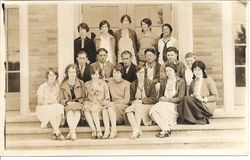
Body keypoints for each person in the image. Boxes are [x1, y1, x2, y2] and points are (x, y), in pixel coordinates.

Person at [149, 62, 185, 138]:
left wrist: (167, 100)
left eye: (170, 70)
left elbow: (180, 98)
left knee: (154, 110)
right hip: (163, 105)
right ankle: (166, 129)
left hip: (174, 106)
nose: (168, 73)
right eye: (167, 71)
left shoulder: (180, 81)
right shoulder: (164, 81)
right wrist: (161, 99)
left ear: (175, 71)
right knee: (153, 112)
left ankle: (165, 129)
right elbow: (161, 95)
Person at [177, 61, 218, 125]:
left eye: (199, 70)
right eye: (195, 70)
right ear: (192, 71)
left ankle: (195, 119)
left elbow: (215, 97)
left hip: (206, 104)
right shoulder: (193, 82)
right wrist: (193, 95)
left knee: (186, 98)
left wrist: (204, 99)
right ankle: (195, 119)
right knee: (184, 100)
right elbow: (191, 95)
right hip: (196, 103)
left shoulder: (208, 80)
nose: (197, 72)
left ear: (203, 70)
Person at [125, 65, 157, 139]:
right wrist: (135, 102)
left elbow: (153, 98)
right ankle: (136, 130)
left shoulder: (150, 83)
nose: (140, 74)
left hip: (147, 106)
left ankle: (136, 129)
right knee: (128, 111)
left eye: (142, 72)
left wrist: (141, 101)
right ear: (136, 74)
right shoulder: (132, 84)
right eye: (138, 73)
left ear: (144, 73)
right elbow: (130, 100)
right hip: (136, 106)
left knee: (137, 106)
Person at [36, 68, 65, 141]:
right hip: (43, 107)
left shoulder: (58, 87)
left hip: (54, 107)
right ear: (47, 76)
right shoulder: (42, 87)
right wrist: (49, 102)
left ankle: (54, 133)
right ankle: (58, 133)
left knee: (59, 107)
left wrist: (54, 103)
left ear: (56, 76)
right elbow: (39, 101)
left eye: (54, 75)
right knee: (53, 109)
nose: (52, 77)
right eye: (50, 75)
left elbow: (58, 99)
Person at [102, 64, 130, 139]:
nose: (116, 74)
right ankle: (107, 130)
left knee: (110, 107)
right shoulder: (110, 82)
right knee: (105, 109)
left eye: (118, 72)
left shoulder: (127, 84)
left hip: (122, 107)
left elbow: (126, 100)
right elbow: (102, 80)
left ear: (122, 73)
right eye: (114, 72)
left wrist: (114, 103)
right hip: (112, 106)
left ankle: (114, 130)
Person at [59, 64, 86, 140]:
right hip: (68, 105)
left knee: (77, 111)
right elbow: (61, 99)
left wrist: (77, 102)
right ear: (67, 73)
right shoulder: (63, 84)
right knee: (70, 111)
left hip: (78, 104)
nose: (72, 74)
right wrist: (67, 102)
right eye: (70, 72)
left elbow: (83, 97)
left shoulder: (81, 83)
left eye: (73, 72)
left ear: (76, 73)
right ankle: (73, 132)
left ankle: (71, 132)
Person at [84, 66, 110, 139]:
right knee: (86, 108)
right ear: (90, 75)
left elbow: (107, 97)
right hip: (90, 103)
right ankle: (93, 129)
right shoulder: (87, 84)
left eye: (96, 74)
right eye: (93, 74)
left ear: (99, 75)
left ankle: (98, 129)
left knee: (93, 109)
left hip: (100, 104)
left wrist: (102, 102)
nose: (94, 76)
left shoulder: (104, 84)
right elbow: (85, 97)